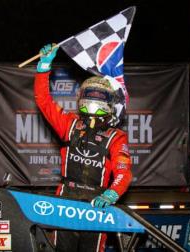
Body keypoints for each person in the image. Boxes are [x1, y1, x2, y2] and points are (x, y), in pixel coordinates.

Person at [33, 43, 132, 252]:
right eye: (90, 95)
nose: (93, 100)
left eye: (99, 97)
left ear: (111, 103)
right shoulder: (69, 124)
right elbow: (43, 101)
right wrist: (44, 67)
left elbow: (124, 172)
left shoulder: (116, 137)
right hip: (66, 200)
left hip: (98, 204)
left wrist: (112, 194)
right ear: (80, 98)